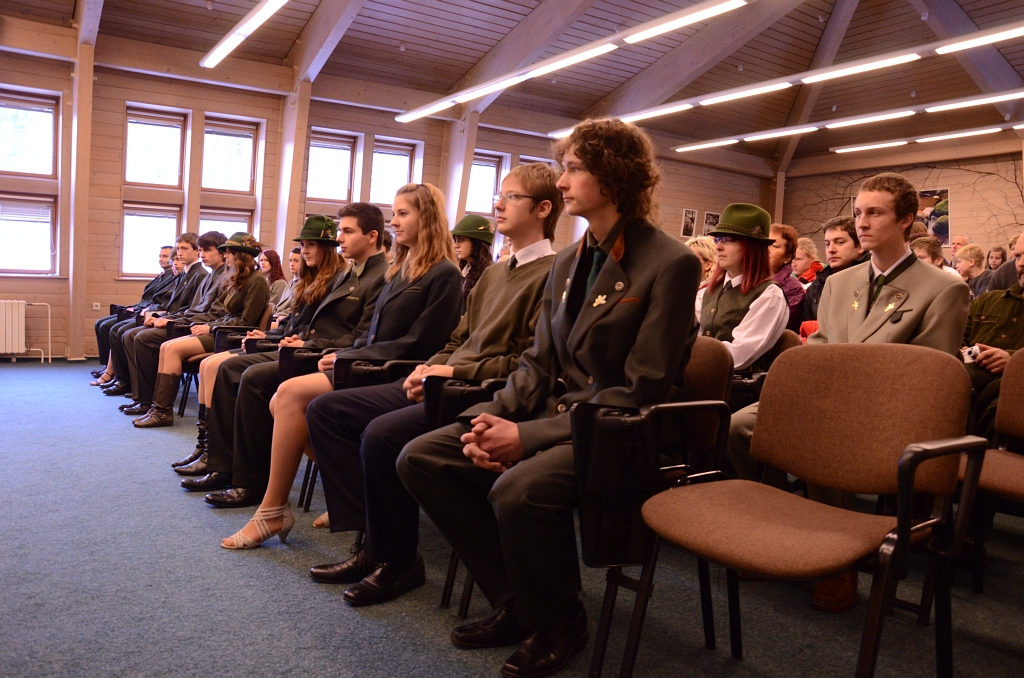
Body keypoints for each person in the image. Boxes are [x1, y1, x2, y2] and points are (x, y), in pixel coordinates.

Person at [398, 119, 701, 678]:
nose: (562, 182)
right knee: (423, 456)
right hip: (561, 416)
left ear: (615, 175)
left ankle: (560, 621)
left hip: (622, 429)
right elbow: (537, 362)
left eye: (575, 169)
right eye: (565, 168)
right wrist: (486, 418)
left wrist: (527, 436)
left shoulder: (671, 262)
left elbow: (641, 388)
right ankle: (519, 602)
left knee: (520, 490)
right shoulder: (568, 260)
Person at [297, 163, 561, 606]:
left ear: (543, 209)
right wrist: (429, 368)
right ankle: (374, 543)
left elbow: (530, 361)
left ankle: (397, 560)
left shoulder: (554, 272)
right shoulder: (495, 273)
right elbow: (458, 339)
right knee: (326, 410)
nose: (498, 204)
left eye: (510, 197)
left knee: (381, 435)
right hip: (446, 380)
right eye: (499, 195)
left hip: (486, 391)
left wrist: (453, 373)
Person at [729, 171, 970, 614]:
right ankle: (783, 522)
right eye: (858, 213)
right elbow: (821, 346)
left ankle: (836, 560)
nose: (862, 222)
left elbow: (929, 378)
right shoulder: (840, 282)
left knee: (826, 438)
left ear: (906, 220)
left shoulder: (944, 288)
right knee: (740, 426)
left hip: (888, 412)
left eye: (875, 213)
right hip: (828, 398)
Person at [214, 183, 462, 528]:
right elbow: (370, 333)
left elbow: (420, 342)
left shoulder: (444, 272)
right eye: (394, 214)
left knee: (288, 395)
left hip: (393, 370)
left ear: (429, 218)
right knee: (280, 400)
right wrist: (344, 352)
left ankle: (275, 508)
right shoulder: (399, 270)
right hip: (366, 360)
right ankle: (348, 488)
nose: (394, 222)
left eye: (403, 214)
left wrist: (346, 356)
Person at [182, 210, 385, 495]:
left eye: (312, 245)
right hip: (307, 349)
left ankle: (248, 480)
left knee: (248, 376)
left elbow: (358, 335)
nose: (340, 239)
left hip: (325, 356)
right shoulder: (348, 273)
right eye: (303, 245)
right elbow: (304, 325)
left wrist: (304, 344)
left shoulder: (367, 275)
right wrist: (273, 336)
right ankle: (220, 463)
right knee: (226, 368)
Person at [132, 233, 270, 428]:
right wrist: (210, 326)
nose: (225, 256)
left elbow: (246, 322)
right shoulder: (237, 278)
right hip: (219, 330)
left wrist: (210, 327)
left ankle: (162, 412)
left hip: (231, 336)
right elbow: (226, 314)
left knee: (172, 349)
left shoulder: (256, 281)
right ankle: (158, 409)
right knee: (166, 346)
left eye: (229, 252)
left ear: (240, 255)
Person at [104, 233, 208, 398]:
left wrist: (166, 318)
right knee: (123, 331)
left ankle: (143, 393)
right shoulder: (186, 273)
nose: (179, 253)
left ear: (197, 251)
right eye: (178, 249)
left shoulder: (200, 274)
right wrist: (160, 316)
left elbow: (192, 308)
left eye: (184, 248)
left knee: (135, 335)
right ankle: (132, 385)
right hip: (171, 318)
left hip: (181, 324)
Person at [695, 206, 788, 372]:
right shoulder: (706, 292)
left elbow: (739, 355)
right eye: (718, 239)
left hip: (737, 384)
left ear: (751, 247)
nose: (718, 247)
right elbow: (691, 339)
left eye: (728, 239)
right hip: (698, 375)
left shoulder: (770, 295)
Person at [962, 236, 1024, 440]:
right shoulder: (988, 301)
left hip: (1008, 394)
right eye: (1018, 257)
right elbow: (956, 338)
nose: (1021, 263)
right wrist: (963, 351)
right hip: (962, 384)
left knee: (1001, 414)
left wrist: (1013, 360)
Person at [91, 245, 176, 385]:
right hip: (142, 309)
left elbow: (159, 302)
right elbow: (146, 299)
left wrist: (139, 309)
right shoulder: (162, 275)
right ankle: (108, 366)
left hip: (151, 313)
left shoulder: (173, 276)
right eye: (160, 256)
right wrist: (134, 307)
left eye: (165, 256)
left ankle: (117, 372)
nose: (161, 259)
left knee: (110, 327)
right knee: (100, 323)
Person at [800, 216, 867, 325]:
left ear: (860, 246)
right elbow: (806, 328)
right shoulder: (816, 287)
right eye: (827, 244)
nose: (831, 250)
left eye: (840, 242)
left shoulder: (873, 279)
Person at [768, 223, 806, 333]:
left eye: (774, 246)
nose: (767, 249)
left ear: (788, 257)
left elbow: (771, 326)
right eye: (764, 244)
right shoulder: (744, 279)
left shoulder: (793, 289)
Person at [452, 214, 494, 308]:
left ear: (477, 243)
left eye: (461, 240)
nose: (456, 245)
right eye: (456, 240)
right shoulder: (462, 270)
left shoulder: (489, 273)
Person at [271, 247, 302, 325]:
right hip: (276, 317)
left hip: (285, 320)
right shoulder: (290, 282)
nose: (292, 264)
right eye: (290, 260)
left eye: (296, 261)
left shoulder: (304, 284)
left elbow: (293, 309)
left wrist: (275, 316)